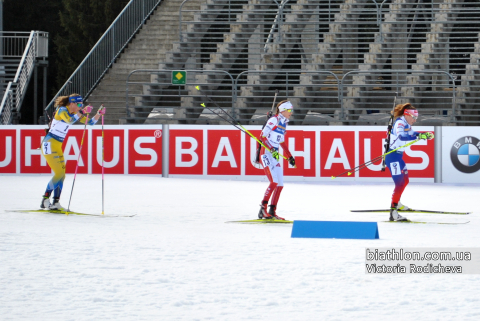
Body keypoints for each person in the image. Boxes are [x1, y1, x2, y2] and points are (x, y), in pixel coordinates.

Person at [40, 94, 106, 211]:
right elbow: (70, 121)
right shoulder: (62, 110)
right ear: (71, 104)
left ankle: (56, 202)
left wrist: (98, 114)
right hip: (49, 144)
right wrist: (81, 112)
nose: (81, 106)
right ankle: (45, 200)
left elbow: (90, 123)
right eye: (79, 104)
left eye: (81, 104)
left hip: (57, 145)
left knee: (62, 175)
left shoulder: (74, 113)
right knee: (59, 174)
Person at [385, 103, 433, 221]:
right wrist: (419, 137)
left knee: (406, 180)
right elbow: (401, 137)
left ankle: (398, 203)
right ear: (407, 115)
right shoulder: (400, 123)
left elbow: (412, 133)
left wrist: (423, 135)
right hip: (392, 157)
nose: (415, 120)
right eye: (414, 118)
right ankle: (393, 212)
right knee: (399, 183)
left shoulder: (406, 122)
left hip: (398, 156)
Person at [258, 100, 296, 220]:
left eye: (291, 110)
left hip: (274, 155)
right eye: (289, 110)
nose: (291, 112)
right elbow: (262, 137)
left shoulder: (284, 123)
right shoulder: (274, 120)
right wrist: (271, 149)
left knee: (280, 184)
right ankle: (262, 210)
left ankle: (272, 211)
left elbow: (281, 141)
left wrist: (289, 156)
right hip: (266, 154)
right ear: (283, 110)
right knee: (273, 182)